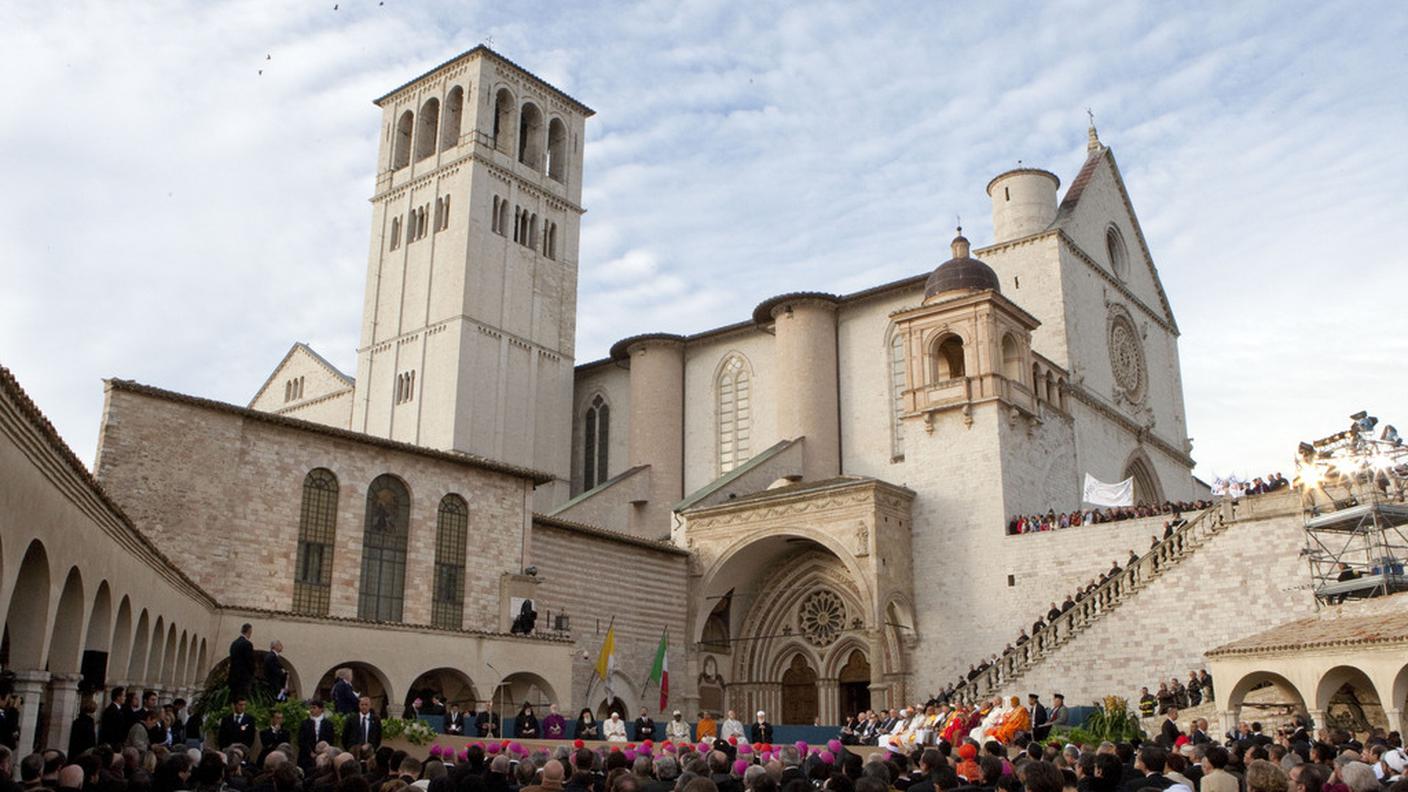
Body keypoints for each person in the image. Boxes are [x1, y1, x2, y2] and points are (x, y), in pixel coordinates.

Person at [297, 699, 336, 770]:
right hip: (306, 756)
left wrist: (322, 752)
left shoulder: (328, 724)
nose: (311, 710)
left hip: (323, 755)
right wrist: (310, 752)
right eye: (310, 708)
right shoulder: (305, 723)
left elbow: (330, 739)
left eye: (314, 707)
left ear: (321, 709)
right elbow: (301, 740)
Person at [228, 624, 256, 699]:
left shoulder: (234, 643)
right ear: (249, 631)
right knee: (242, 698)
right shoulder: (247, 644)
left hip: (233, 675)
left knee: (234, 698)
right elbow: (250, 661)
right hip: (243, 677)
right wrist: (253, 673)